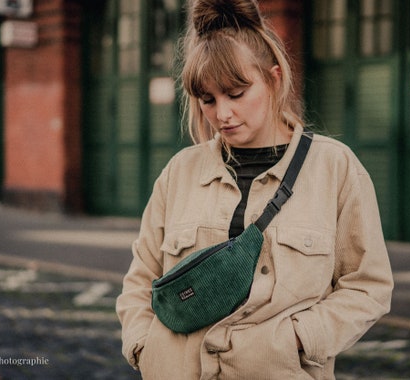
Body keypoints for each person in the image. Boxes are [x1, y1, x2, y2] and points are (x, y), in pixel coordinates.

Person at [116, 0, 393, 378]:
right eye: (208, 100)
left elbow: (367, 286)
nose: (222, 114)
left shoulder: (335, 169)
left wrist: (297, 339)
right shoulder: (180, 172)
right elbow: (141, 277)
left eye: (236, 93)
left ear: (274, 78)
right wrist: (144, 346)